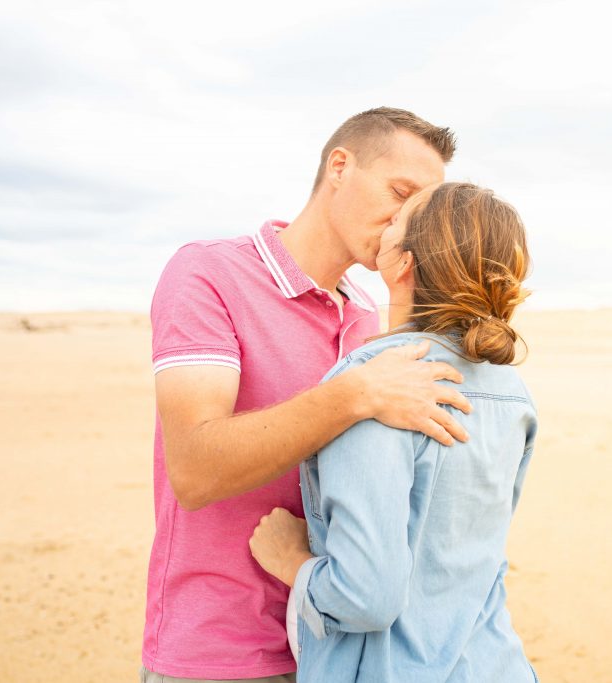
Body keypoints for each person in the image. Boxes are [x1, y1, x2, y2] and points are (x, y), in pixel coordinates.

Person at [142, 108, 474, 683]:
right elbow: (193, 471)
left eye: (420, 211)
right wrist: (355, 395)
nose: (408, 223)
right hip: (220, 653)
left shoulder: (369, 319)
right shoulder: (208, 274)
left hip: (339, 647)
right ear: (339, 167)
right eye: (400, 192)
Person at [249, 182, 540, 682]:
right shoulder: (512, 391)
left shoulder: (377, 383)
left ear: (404, 264)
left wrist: (293, 561)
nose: (385, 223)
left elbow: (367, 597)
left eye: (399, 219)